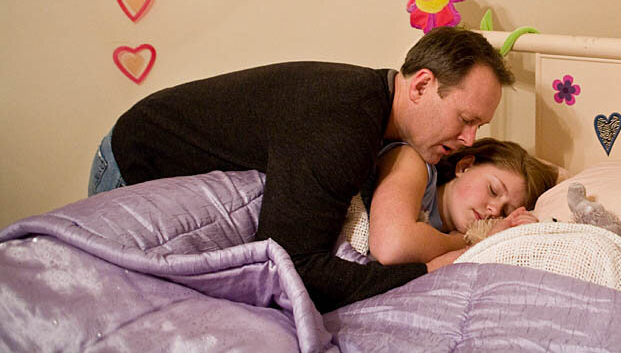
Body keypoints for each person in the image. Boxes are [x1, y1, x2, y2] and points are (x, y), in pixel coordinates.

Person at [87, 27, 514, 311]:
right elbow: (289, 267)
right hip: (135, 162)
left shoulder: (373, 104)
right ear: (421, 85)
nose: (469, 141)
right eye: (465, 119)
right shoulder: (343, 126)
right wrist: (425, 273)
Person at [367, 138, 558, 264]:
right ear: (464, 167)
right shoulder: (414, 163)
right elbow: (395, 245)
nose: (494, 210)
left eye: (506, 211)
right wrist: (461, 241)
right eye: (493, 190)